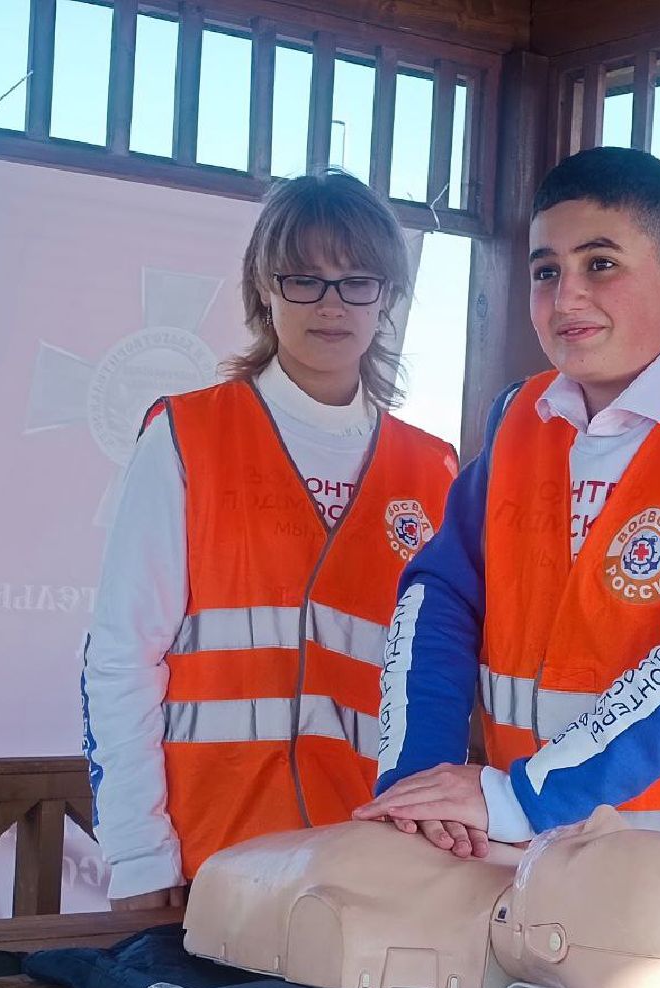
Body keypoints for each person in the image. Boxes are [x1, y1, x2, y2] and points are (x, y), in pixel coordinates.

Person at [357, 146, 660, 984]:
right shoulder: (520, 419)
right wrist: (421, 789)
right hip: (545, 924)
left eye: (601, 264)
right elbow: (438, 596)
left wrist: (516, 797)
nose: (567, 297)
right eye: (545, 271)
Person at [83, 169, 458, 911]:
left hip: (369, 867)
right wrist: (139, 853)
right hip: (207, 861)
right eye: (304, 280)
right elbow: (122, 655)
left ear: (386, 296)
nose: (331, 304)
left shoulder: (436, 470)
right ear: (264, 289)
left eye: (356, 281)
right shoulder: (186, 437)